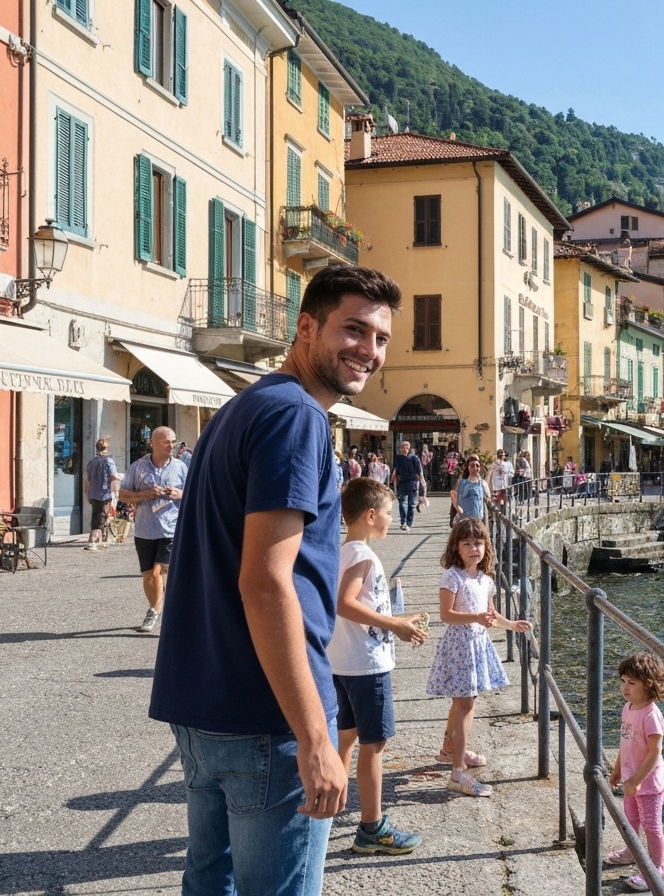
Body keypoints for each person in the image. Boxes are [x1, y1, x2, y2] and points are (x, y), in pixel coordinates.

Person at [148, 264, 401, 896]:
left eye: (380, 339)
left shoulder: (241, 409)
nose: (368, 351)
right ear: (305, 326)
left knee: (208, 882)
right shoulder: (297, 418)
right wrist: (317, 738)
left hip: (201, 699)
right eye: (353, 330)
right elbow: (266, 582)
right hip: (266, 717)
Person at [330, 478, 428, 855]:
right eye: (388, 512)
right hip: (366, 667)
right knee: (375, 745)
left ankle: (332, 805)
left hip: (344, 661)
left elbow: (358, 606)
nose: (392, 517)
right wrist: (395, 627)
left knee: (348, 737)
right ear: (371, 516)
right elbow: (346, 603)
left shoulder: (344, 551)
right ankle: (372, 827)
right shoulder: (362, 556)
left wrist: (401, 617)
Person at [426, 518, 532, 797]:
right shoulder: (452, 577)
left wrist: (511, 624)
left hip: (476, 644)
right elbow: (446, 615)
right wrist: (475, 618)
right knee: (465, 705)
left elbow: (490, 615)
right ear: (456, 548)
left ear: (486, 546)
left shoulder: (485, 580)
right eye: (467, 543)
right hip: (459, 645)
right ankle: (458, 772)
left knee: (463, 702)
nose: (474, 548)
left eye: (479, 543)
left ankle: (450, 749)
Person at [604, 652, 664, 892]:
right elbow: (625, 742)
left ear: (648, 684)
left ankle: (656, 867)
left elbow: (654, 753)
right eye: (623, 681)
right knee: (630, 819)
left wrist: (636, 780)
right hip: (631, 778)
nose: (625, 687)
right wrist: (618, 769)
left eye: (631, 683)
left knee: (652, 825)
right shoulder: (628, 707)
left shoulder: (651, 715)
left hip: (648, 782)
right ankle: (632, 852)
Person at [118, 426, 188, 634]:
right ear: (153, 443)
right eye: (167, 441)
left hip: (171, 529)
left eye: (173, 441)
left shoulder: (180, 467)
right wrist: (145, 494)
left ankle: (154, 610)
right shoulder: (138, 468)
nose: (171, 445)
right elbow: (123, 495)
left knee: (159, 571)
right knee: (148, 575)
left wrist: (180, 494)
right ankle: (157, 607)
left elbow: (195, 492)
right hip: (145, 530)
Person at [84, 437, 120, 551]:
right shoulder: (109, 461)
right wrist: (116, 492)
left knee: (97, 516)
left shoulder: (91, 462)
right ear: (107, 448)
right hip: (105, 493)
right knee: (102, 517)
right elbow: (114, 477)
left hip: (94, 493)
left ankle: (100, 539)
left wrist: (88, 494)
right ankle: (94, 540)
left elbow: (88, 481)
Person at [390, 440, 423, 532]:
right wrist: (393, 481)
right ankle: (403, 522)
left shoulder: (414, 458)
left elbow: (419, 471)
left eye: (407, 447)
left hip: (412, 483)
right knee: (402, 503)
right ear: (400, 448)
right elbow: (395, 470)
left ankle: (409, 523)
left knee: (411, 504)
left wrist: (420, 482)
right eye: (403, 447)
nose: (405, 449)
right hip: (402, 482)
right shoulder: (398, 458)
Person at [450, 454, 490, 525]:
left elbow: (488, 499)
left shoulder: (483, 483)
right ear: (468, 467)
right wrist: (457, 508)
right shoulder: (461, 482)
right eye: (472, 466)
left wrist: (487, 499)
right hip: (465, 519)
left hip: (479, 518)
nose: (475, 468)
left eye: (477, 466)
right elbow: (454, 495)